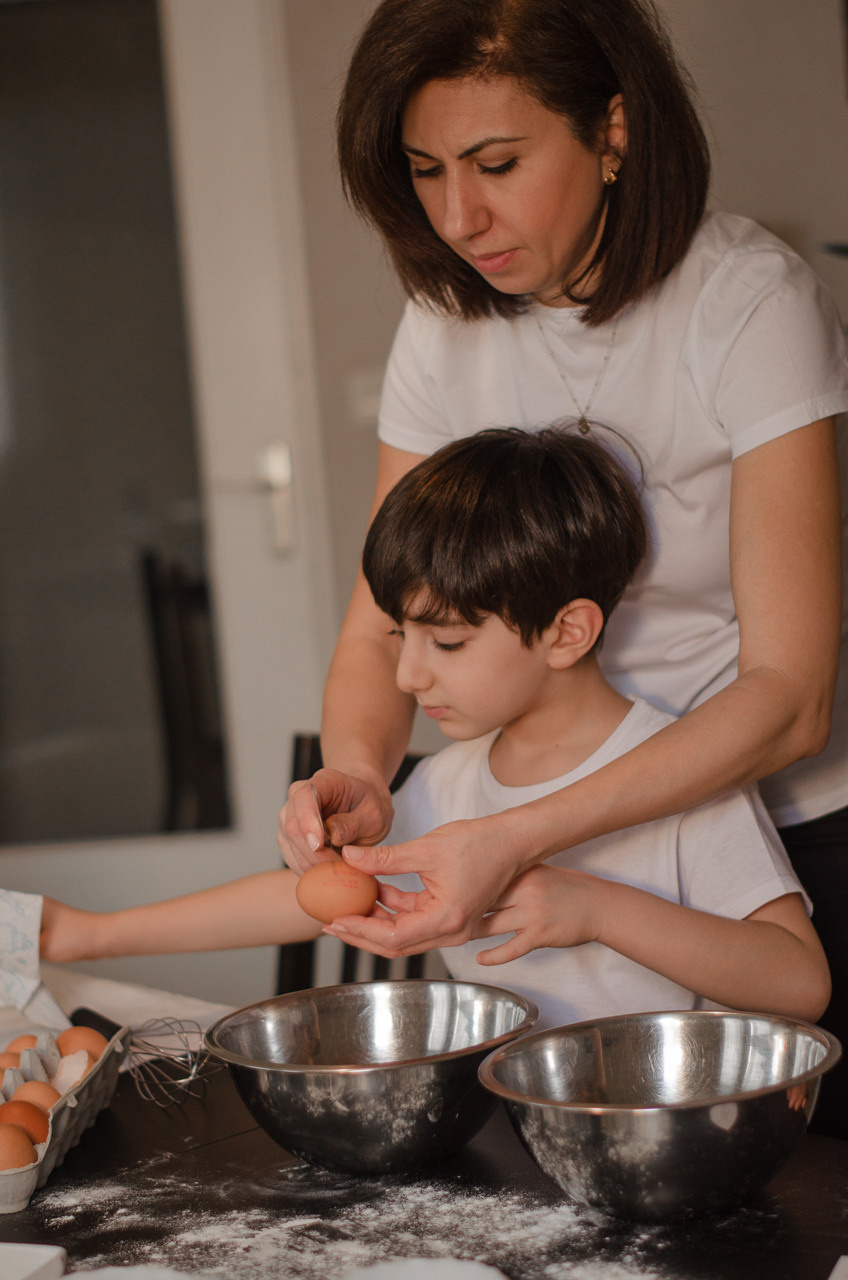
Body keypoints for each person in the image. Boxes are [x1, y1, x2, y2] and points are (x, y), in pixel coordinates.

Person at [276, 0, 848, 1133]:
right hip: (535, 825)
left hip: (779, 830)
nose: (456, 214)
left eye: (496, 162)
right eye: (425, 168)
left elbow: (788, 698)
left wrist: (518, 833)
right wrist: (361, 779)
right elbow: (376, 628)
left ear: (613, 132)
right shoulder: (444, 327)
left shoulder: (744, 303)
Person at [40, 429, 830, 1033]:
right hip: (511, 1141)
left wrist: (599, 911)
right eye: (399, 638)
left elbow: (799, 981)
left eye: (446, 642)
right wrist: (94, 934)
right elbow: (310, 900)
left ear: (567, 632)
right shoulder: (450, 784)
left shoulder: (678, 775)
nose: (410, 678)